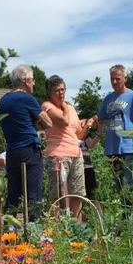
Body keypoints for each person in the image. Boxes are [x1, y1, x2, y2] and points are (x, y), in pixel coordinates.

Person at [0, 64, 53, 218]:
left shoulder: (4, 101)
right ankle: (36, 237)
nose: (34, 83)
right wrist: (36, 122)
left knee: (13, 196)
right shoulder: (27, 98)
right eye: (32, 80)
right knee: (34, 196)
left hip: (12, 152)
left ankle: (9, 234)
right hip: (29, 150)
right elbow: (48, 123)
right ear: (26, 81)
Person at [96, 64, 133, 224]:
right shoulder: (108, 99)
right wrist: (98, 135)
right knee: (118, 187)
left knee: (129, 187)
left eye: (118, 78)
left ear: (125, 78)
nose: (115, 81)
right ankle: (124, 223)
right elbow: (101, 118)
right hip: (112, 149)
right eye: (112, 79)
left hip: (128, 148)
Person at [41, 75, 96, 220]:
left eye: (63, 89)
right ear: (49, 93)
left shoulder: (71, 108)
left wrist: (89, 125)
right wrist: (65, 105)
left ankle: (76, 231)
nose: (61, 93)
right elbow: (64, 121)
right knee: (58, 196)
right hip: (59, 155)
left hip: (76, 154)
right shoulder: (47, 107)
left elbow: (78, 134)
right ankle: (57, 231)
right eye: (57, 91)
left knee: (77, 194)